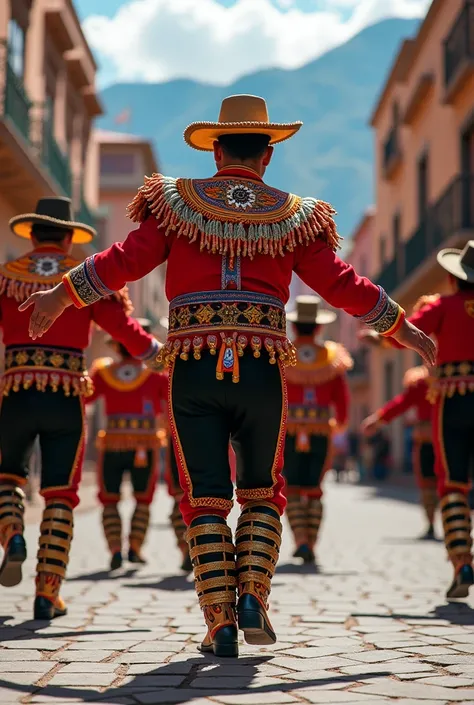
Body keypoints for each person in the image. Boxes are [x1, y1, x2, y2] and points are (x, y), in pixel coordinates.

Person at [20, 95, 435, 655]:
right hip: (263, 367)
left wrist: (60, 294)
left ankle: (218, 620)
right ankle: (254, 596)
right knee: (264, 490)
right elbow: (339, 281)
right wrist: (400, 326)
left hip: (193, 365)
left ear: (216, 151)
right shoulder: (296, 215)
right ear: (266, 157)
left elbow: (124, 259)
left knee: (206, 496)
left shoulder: (173, 203)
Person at [0, 198, 159, 620]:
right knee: (61, 492)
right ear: (69, 237)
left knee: (8, 473)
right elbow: (125, 331)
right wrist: (159, 355)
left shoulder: (6, 278)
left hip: (15, 389)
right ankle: (46, 593)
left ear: (32, 235)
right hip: (67, 394)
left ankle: (13, 534)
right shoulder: (83, 281)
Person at [361, 243, 474, 599]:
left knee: (453, 483)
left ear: (454, 280)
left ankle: (462, 561)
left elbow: (409, 336)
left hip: (454, 400)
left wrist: (378, 340)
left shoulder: (443, 306)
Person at [87, 319, 167, 571]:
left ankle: (114, 549)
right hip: (144, 445)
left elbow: (86, 396)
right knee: (143, 498)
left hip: (111, 444)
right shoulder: (155, 375)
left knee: (109, 498)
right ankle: (134, 547)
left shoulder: (104, 372)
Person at [284, 295, 351, 564]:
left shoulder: (283, 355)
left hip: (288, 432)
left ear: (295, 326)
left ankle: (300, 538)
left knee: (293, 486)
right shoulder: (332, 358)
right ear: (319, 327)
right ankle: (311, 541)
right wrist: (341, 424)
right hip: (322, 432)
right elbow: (342, 402)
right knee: (314, 486)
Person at [362, 364, 437, 540]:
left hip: (445, 437)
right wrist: (378, 419)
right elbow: (402, 403)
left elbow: (401, 403)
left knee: (451, 482)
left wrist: (378, 419)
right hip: (428, 439)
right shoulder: (420, 382)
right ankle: (434, 523)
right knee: (428, 484)